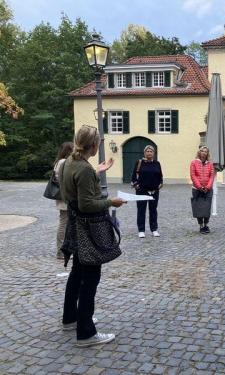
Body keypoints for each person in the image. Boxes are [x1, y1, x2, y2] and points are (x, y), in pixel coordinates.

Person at [60, 125, 125, 347]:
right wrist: (111, 202)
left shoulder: (69, 161)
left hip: (75, 225)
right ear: (94, 144)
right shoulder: (83, 168)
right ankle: (86, 332)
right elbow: (87, 204)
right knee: (90, 278)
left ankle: (71, 318)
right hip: (87, 228)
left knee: (77, 273)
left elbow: (78, 188)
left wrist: (97, 171)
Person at [131, 145, 163, 238]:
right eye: (147, 151)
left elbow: (160, 175)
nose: (149, 153)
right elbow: (134, 176)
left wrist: (161, 183)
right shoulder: (139, 162)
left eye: (151, 151)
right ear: (144, 153)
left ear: (154, 153)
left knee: (153, 210)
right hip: (142, 191)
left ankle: (154, 229)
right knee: (141, 210)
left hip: (154, 191)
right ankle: (141, 230)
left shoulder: (157, 163)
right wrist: (137, 186)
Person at [54, 141, 74, 259]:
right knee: (64, 223)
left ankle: (65, 249)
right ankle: (61, 251)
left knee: (66, 223)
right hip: (64, 197)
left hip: (64, 196)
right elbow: (64, 180)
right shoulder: (63, 162)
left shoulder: (61, 161)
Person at [190, 146, 215, 234]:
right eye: (202, 151)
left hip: (208, 189)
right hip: (197, 189)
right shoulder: (194, 162)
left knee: (207, 208)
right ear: (199, 152)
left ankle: (206, 225)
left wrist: (207, 187)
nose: (204, 153)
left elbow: (212, 176)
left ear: (207, 153)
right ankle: (201, 225)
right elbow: (193, 175)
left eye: (206, 151)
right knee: (198, 208)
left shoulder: (210, 164)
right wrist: (200, 187)